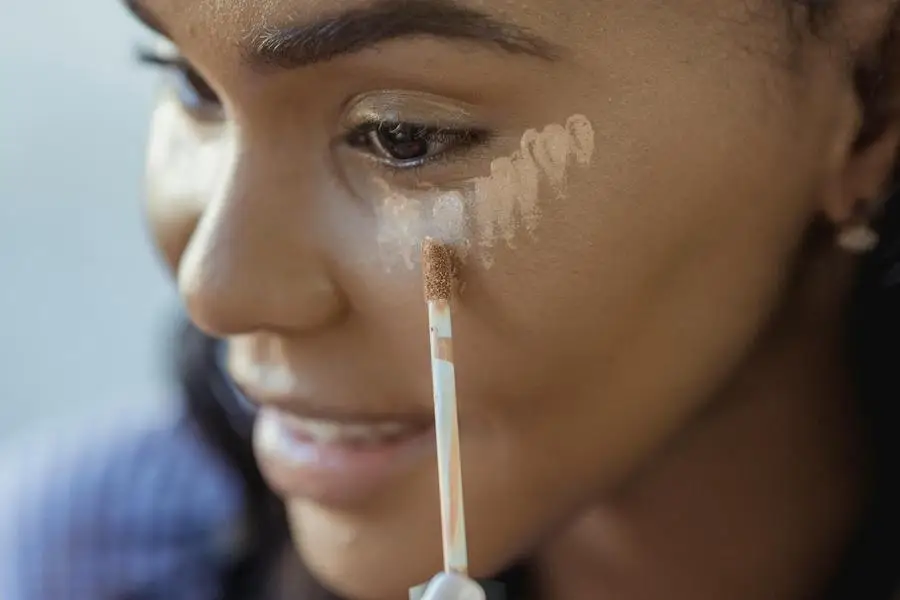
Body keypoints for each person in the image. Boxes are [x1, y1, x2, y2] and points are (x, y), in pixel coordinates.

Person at [6, 0, 900, 598]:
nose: (216, 290)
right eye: (192, 84)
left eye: (403, 137)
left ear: (872, 94)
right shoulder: (81, 558)